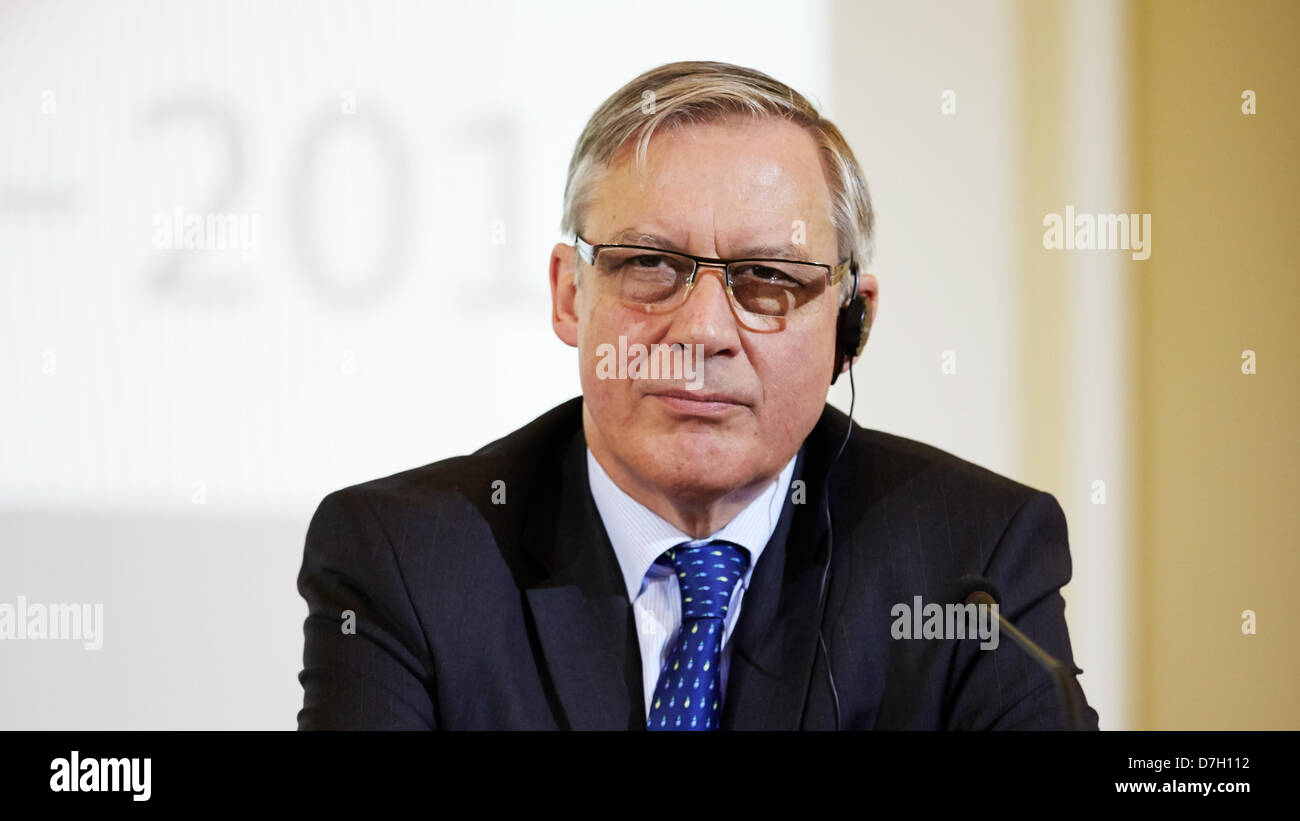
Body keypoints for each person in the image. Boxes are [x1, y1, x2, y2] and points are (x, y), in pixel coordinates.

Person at [296, 60, 1099, 730]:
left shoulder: (971, 564)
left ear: (850, 323)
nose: (704, 331)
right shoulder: (407, 562)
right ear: (571, 297)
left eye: (768, 279)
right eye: (650, 264)